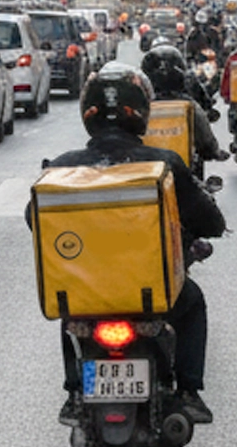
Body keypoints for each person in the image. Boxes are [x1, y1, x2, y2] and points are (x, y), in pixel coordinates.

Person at [33, 65, 224, 426]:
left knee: (71, 308)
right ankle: (188, 391)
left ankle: (75, 392)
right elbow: (209, 221)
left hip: (88, 289)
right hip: (152, 291)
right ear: (142, 112)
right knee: (193, 302)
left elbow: (35, 221)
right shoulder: (164, 163)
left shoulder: (62, 168)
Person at [142, 45, 229, 177]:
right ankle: (213, 149)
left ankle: (212, 149)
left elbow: (203, 97)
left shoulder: (144, 97)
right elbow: (204, 100)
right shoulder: (188, 101)